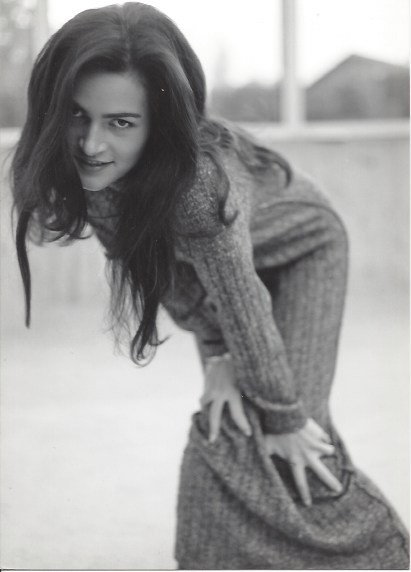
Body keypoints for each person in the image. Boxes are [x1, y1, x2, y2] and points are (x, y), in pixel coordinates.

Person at [11, 2, 409, 569]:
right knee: (231, 420)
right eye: (78, 115)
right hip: (218, 277)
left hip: (303, 251)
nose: (91, 144)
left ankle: (381, 554)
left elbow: (242, 300)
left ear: (159, 124)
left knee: (295, 432)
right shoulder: (96, 177)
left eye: (120, 122)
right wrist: (220, 355)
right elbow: (170, 279)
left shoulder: (197, 188)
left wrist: (284, 414)